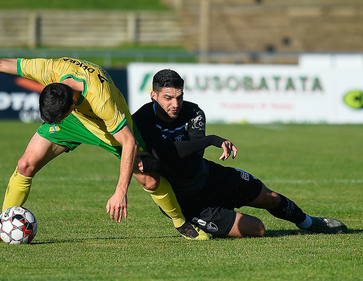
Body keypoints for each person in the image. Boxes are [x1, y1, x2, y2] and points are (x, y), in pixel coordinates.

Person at [0, 57, 209, 242]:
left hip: (108, 128)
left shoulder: (102, 99)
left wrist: (120, 192)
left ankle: (181, 223)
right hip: (74, 122)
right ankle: (2, 228)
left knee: (148, 178)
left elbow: (128, 142)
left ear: (73, 102)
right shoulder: (51, 69)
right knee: (24, 165)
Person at [132, 69, 347, 238]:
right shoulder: (142, 119)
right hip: (188, 201)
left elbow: (189, 161)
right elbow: (168, 154)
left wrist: (160, 160)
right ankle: (203, 221)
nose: (175, 104)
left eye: (179, 97)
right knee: (258, 229)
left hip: (208, 176)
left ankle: (309, 222)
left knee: (270, 197)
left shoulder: (194, 112)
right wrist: (211, 140)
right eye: (168, 98)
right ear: (154, 95)